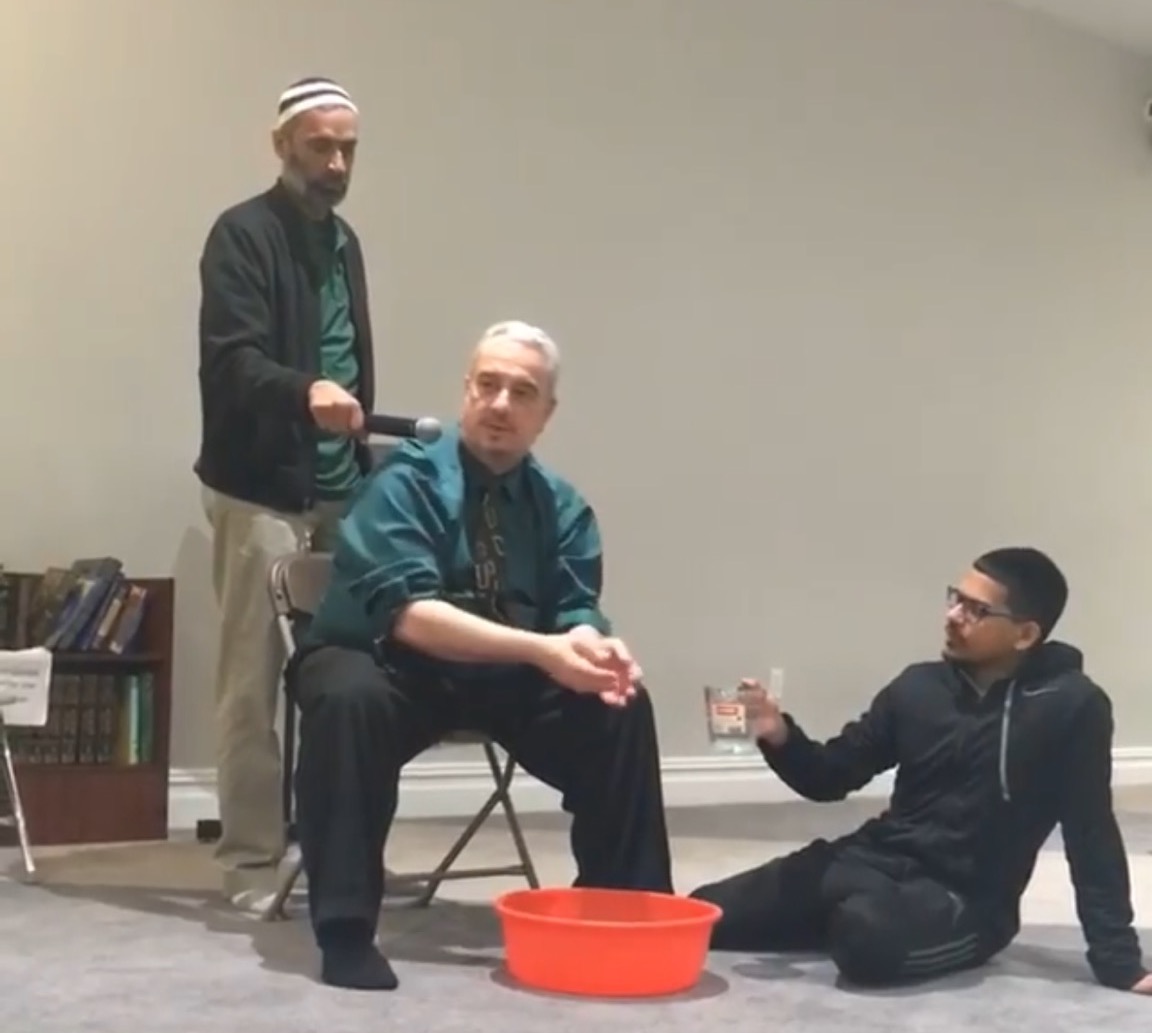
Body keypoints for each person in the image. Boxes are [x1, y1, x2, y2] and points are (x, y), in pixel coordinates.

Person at [288, 319, 674, 991]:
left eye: (522, 392)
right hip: (385, 659)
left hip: (505, 670)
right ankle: (346, 930)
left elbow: (574, 609)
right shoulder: (403, 480)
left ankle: (625, 910)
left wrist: (593, 645)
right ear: (466, 392)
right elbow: (411, 617)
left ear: (544, 414)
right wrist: (545, 649)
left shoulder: (563, 506)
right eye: (488, 385)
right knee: (347, 698)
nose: (501, 404)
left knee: (619, 704)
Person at [691, 547, 1151, 993]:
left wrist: (1119, 963)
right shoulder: (918, 686)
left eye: (976, 610)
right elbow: (830, 776)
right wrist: (779, 734)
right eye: (955, 598)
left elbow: (1090, 832)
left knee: (865, 941)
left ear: (1025, 634)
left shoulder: (1072, 706)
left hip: (966, 898)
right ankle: (846, 913)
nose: (953, 616)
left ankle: (860, 920)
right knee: (702, 914)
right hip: (874, 861)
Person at [195, 76, 378, 912]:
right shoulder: (241, 235)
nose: (336, 162)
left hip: (341, 493)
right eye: (320, 145)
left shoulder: (346, 244)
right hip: (261, 493)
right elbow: (233, 361)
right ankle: (250, 867)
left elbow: (352, 358)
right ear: (282, 146)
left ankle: (332, 852)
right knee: (251, 684)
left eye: (347, 147)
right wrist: (307, 391)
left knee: (344, 677)